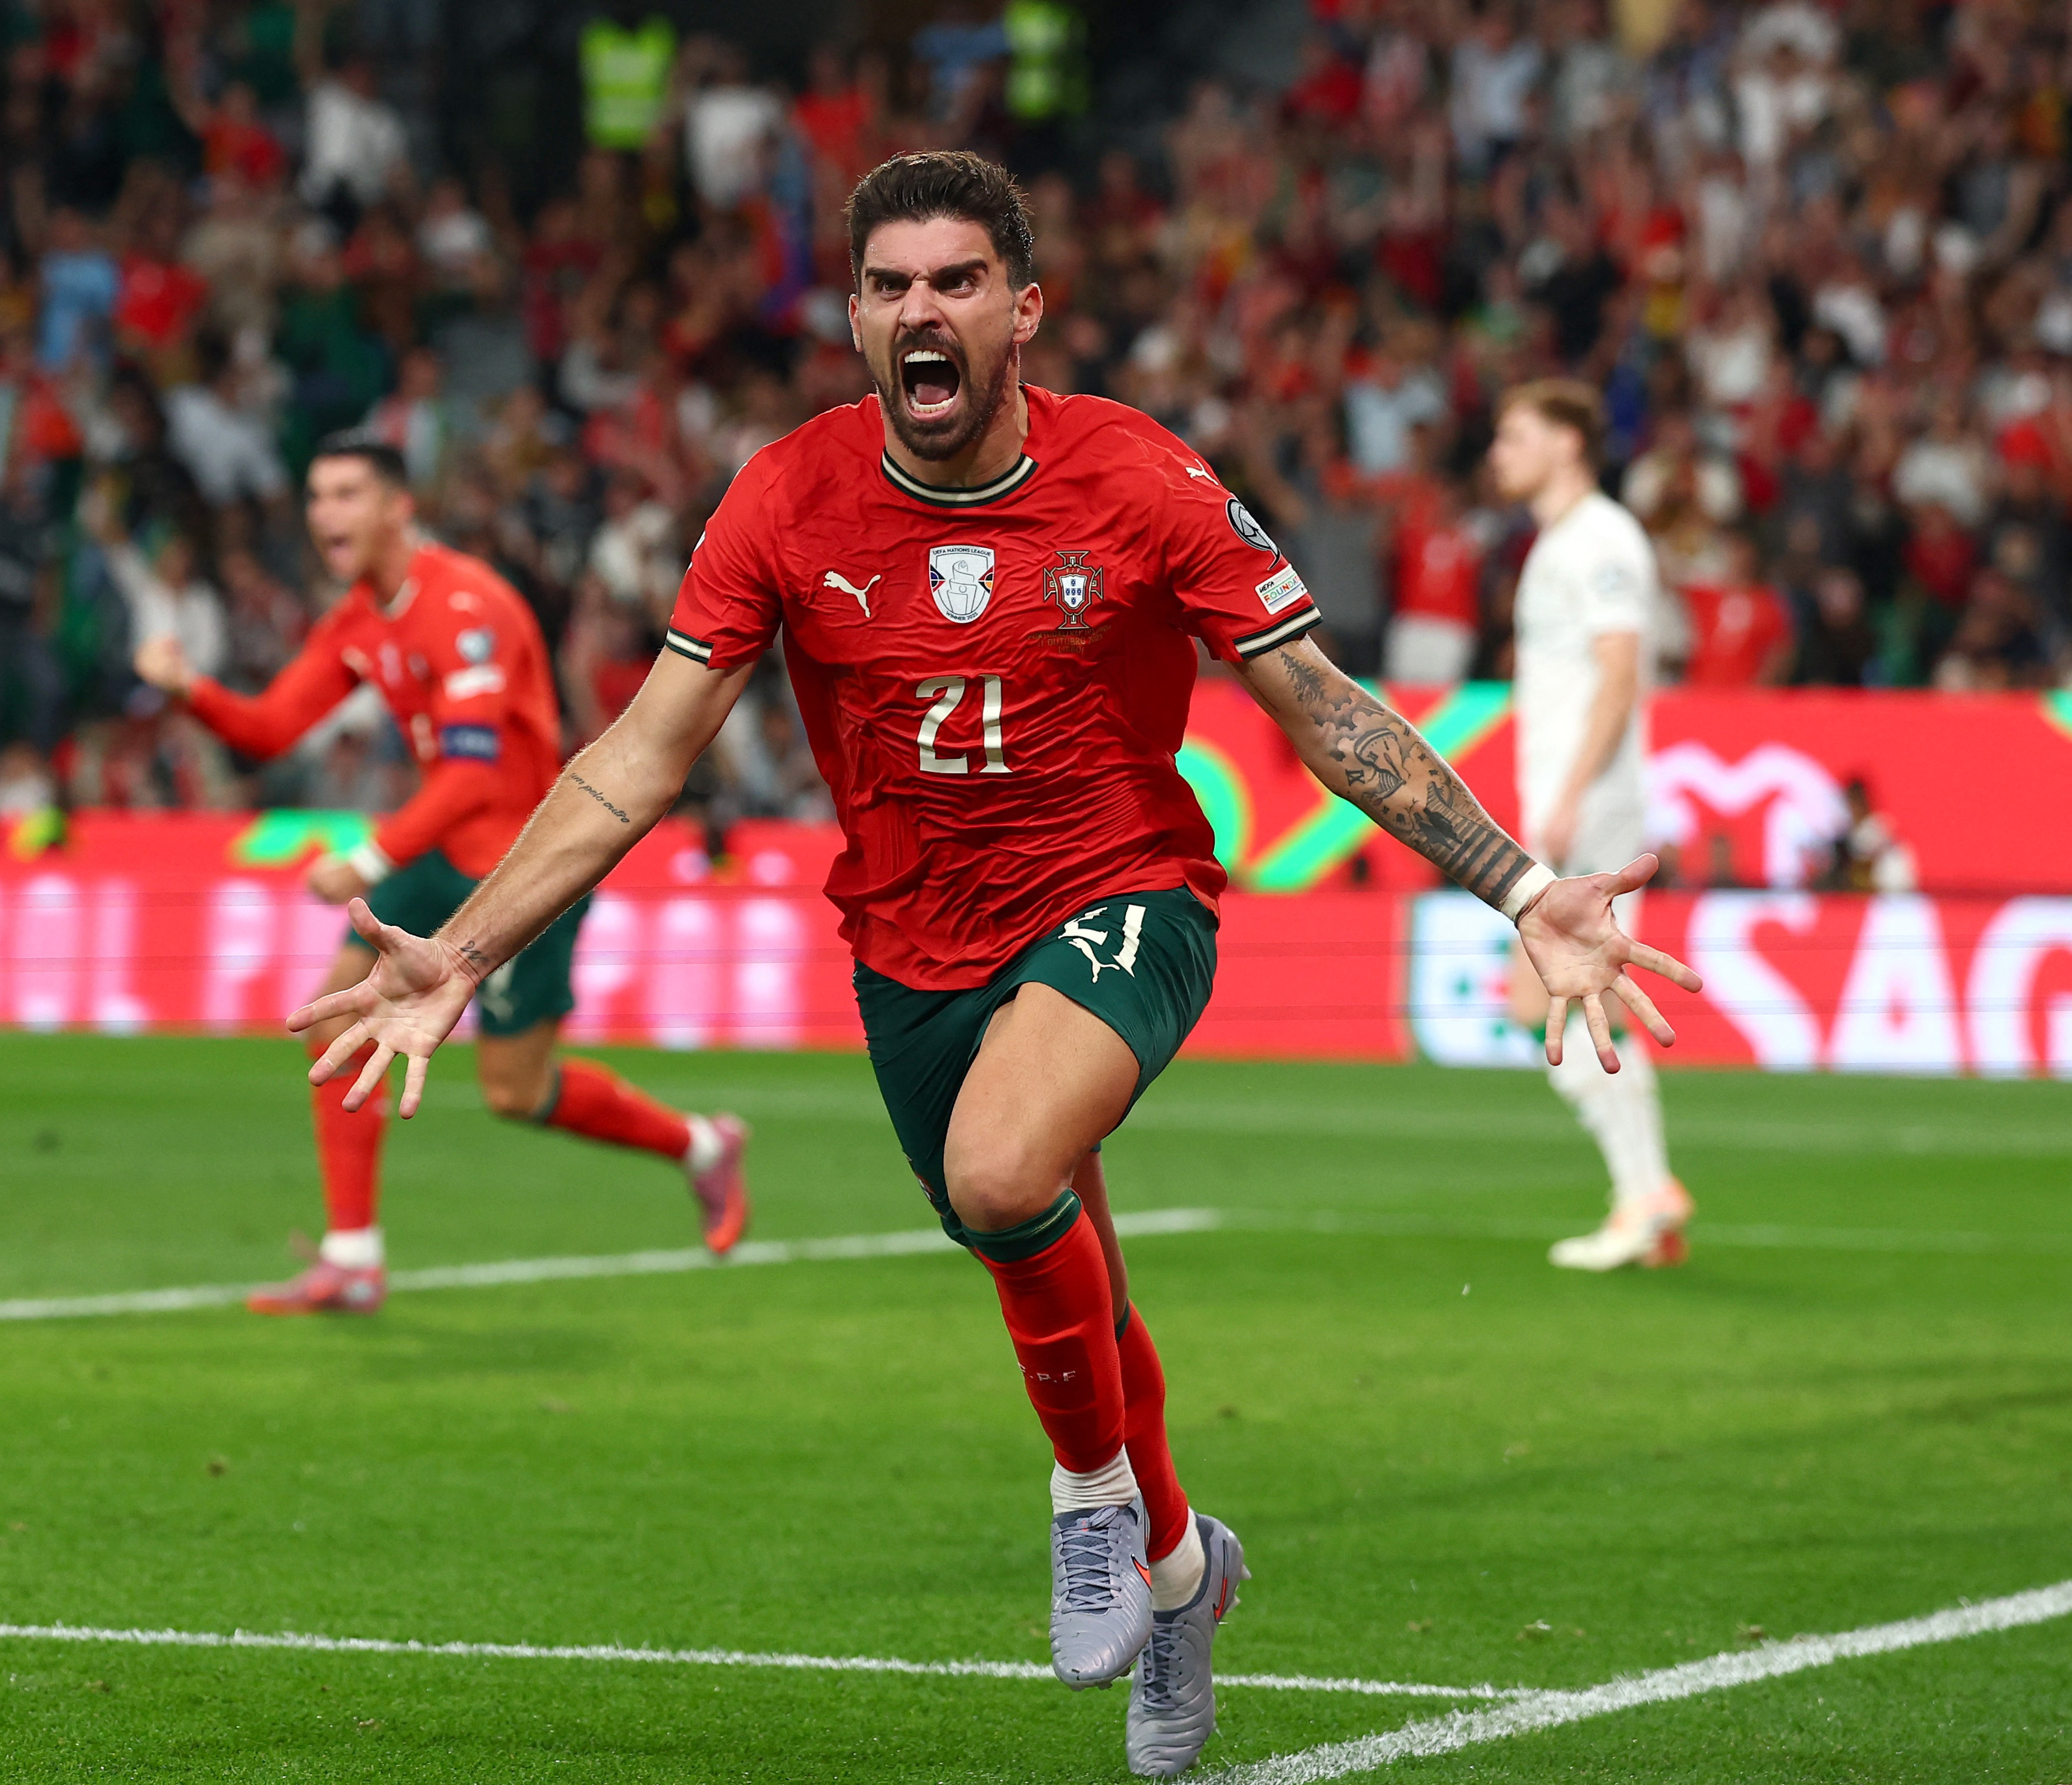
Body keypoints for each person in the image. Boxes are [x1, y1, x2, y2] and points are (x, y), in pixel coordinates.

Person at [286, 153, 1699, 1779]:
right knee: (1047, 1238)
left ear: (1023, 311)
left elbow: (1322, 707)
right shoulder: (784, 498)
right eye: (888, 287)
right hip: (908, 938)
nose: (920, 312)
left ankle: (1090, 1495)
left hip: (1123, 893)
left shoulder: (1146, 480)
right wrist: (463, 949)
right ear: (856, 318)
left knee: (1004, 1163)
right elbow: (638, 756)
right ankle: (1180, 1570)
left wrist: (1517, 885)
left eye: (955, 281)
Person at [134, 436, 749, 1317]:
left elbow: (473, 772)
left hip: (529, 864)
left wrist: (369, 858)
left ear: (396, 507)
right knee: (335, 1014)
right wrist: (188, 685)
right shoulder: (360, 617)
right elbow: (270, 730)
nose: (325, 514)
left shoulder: (467, 609)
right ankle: (353, 1258)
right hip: (441, 851)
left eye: (347, 494)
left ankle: (701, 1145)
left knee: (515, 1091)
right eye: (316, 495)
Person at [1487, 380, 1695, 1272]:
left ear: (1570, 443)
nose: (1500, 451)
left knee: (1552, 998)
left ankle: (1644, 1191)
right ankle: (1650, 1198)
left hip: (1590, 806)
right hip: (1571, 803)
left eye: (1517, 434)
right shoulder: (1557, 545)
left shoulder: (1602, 538)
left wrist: (1570, 792)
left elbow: (1620, 672)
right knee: (1570, 994)